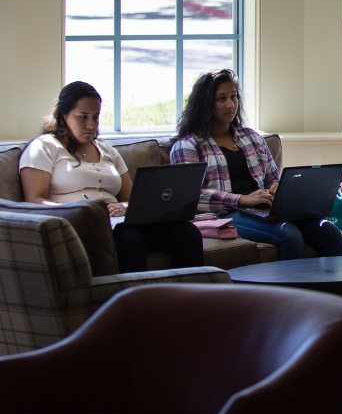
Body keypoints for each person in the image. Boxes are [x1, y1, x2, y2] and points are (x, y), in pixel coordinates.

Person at [19, 81, 204, 273]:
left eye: (96, 117)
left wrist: (124, 208)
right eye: (82, 117)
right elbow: (35, 200)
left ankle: (191, 299)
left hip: (117, 223)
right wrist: (80, 211)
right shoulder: (44, 147)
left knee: (187, 233)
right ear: (63, 115)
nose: (91, 125)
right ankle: (133, 302)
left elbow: (132, 199)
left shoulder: (108, 151)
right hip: (78, 225)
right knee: (130, 238)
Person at [170, 69, 342, 260]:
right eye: (221, 98)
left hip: (265, 209)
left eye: (234, 96)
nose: (231, 104)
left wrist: (277, 189)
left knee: (330, 232)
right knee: (289, 234)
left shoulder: (251, 138)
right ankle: (295, 291)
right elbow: (190, 197)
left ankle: (335, 291)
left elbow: (272, 179)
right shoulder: (188, 146)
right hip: (226, 215)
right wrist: (241, 199)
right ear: (205, 104)